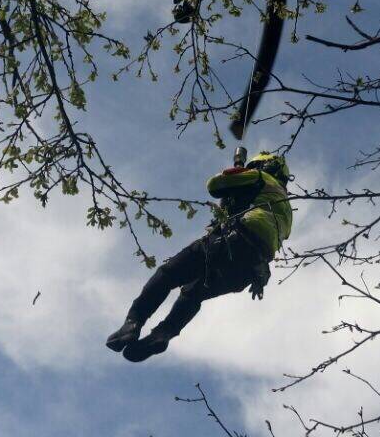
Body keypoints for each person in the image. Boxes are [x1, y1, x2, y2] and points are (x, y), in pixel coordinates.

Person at [106, 152, 294, 362]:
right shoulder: (284, 206)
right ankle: (164, 333)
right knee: (192, 294)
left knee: (168, 274)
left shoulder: (260, 178)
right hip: (251, 269)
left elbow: (215, 185)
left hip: (231, 241)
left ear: (263, 166)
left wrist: (238, 173)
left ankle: (133, 323)